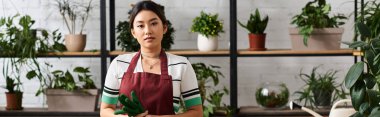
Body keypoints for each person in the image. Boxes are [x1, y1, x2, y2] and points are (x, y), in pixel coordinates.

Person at [100, 1, 203, 117]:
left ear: (164, 28)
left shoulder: (181, 65)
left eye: (153, 23)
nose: (148, 31)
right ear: (133, 32)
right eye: (140, 26)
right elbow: (105, 110)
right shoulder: (119, 63)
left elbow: (197, 112)